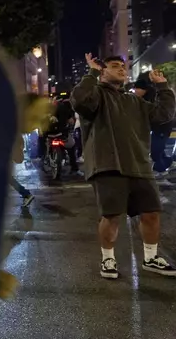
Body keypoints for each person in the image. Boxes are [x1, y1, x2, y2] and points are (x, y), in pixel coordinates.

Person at [71, 53, 176, 279]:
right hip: (108, 164)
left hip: (138, 164)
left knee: (151, 213)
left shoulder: (134, 101)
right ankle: (108, 259)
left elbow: (163, 116)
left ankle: (151, 258)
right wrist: (91, 73)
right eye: (114, 66)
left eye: (122, 66)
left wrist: (163, 88)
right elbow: (80, 101)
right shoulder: (96, 95)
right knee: (110, 216)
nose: (121, 69)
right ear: (103, 72)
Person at [134, 73, 174, 177]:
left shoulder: (153, 97)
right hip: (153, 129)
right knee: (157, 150)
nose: (135, 91)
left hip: (162, 128)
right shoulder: (140, 99)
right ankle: (166, 163)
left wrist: (162, 86)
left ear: (144, 89)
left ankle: (162, 168)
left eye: (137, 88)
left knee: (155, 151)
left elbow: (164, 113)